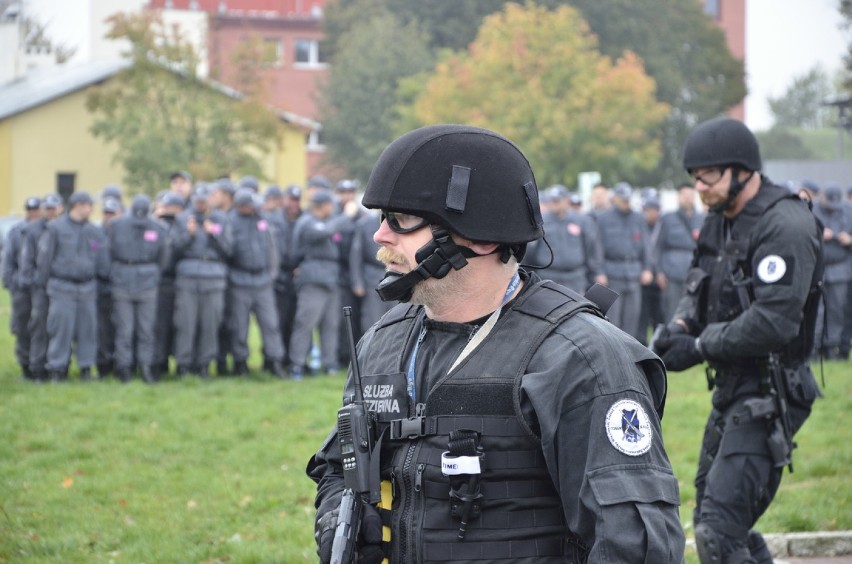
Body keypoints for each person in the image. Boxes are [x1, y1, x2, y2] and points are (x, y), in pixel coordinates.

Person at [307, 124, 684, 563]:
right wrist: (338, 515)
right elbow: (336, 465)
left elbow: (635, 546)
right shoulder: (383, 341)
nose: (381, 236)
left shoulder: (579, 358)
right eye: (381, 218)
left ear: (482, 237)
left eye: (402, 220)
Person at [653, 117, 823, 564]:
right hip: (733, 388)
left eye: (708, 176)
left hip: (772, 391)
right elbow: (697, 284)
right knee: (719, 522)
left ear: (742, 172)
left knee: (718, 531)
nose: (699, 187)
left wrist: (701, 346)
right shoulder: (719, 219)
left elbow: (774, 322)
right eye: (694, 177)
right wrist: (679, 331)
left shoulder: (784, 223)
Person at [36, 191, 109, 382]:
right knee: (61, 330)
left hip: (87, 288)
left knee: (88, 331)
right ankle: (58, 369)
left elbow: (102, 259)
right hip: (62, 286)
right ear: (77, 205)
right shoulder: (55, 228)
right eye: (88, 205)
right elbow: (44, 259)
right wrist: (45, 285)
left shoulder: (94, 230)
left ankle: (86, 368)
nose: (91, 208)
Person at [172, 185, 233, 378]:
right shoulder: (182, 219)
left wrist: (213, 234)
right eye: (198, 201)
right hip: (188, 276)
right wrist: (187, 235)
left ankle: (204, 364)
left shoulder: (221, 219)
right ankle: (183, 364)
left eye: (204, 200)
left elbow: (229, 250)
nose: (201, 204)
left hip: (214, 277)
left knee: (210, 323)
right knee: (186, 323)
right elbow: (173, 249)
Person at [107, 195, 169, 383]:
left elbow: (163, 257)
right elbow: (108, 253)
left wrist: (152, 273)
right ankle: (124, 367)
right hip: (122, 279)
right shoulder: (116, 226)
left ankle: (146, 367)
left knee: (146, 329)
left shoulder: (159, 228)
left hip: (148, 281)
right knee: (124, 329)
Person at [288, 189, 349, 379]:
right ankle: (297, 364)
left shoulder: (325, 221)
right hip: (313, 279)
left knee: (331, 324)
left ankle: (329, 363)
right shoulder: (307, 222)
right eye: (330, 205)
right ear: (321, 206)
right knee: (305, 323)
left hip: (331, 279)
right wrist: (347, 215)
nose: (332, 208)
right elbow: (325, 232)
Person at [225, 188, 286, 377]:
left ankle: (274, 361)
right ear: (240, 206)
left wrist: (272, 274)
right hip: (239, 280)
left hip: (263, 281)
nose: (255, 208)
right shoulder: (231, 221)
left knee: (270, 324)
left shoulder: (262, 220)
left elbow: (272, 248)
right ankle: (240, 362)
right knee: (239, 325)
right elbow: (227, 251)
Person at [596, 182, 654, 341]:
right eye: (623, 199)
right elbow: (598, 247)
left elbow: (646, 246)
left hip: (633, 273)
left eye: (628, 199)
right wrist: (600, 271)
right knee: (613, 321)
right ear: (614, 199)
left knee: (632, 320)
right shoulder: (603, 218)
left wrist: (647, 268)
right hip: (613, 273)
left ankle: (631, 357)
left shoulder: (638, 218)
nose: (626, 202)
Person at [18, 194, 64, 383]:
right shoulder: (33, 230)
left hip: (62, 286)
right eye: (48, 208)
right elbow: (26, 260)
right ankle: (38, 368)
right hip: (40, 288)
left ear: (61, 208)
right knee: (39, 327)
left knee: (60, 329)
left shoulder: (66, 227)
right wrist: (32, 283)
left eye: (54, 208)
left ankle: (59, 367)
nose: (50, 211)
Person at [527, 184, 603, 292]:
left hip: (575, 278)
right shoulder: (540, 222)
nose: (555, 203)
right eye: (552, 200)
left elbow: (591, 248)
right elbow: (530, 252)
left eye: (558, 200)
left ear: (567, 200)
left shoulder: (582, 221)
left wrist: (597, 272)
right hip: (548, 277)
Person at [1, 197, 43, 381]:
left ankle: (42, 366)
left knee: (41, 327)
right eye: (30, 209)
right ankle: (26, 367)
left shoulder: (47, 230)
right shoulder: (17, 231)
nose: (33, 212)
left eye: (36, 209)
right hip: (22, 287)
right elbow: (8, 259)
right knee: (22, 327)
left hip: (41, 286)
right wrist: (11, 283)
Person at [655, 182, 705, 321]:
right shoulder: (667, 219)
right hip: (672, 274)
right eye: (684, 195)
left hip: (695, 274)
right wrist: (659, 272)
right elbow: (657, 247)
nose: (687, 198)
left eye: (690, 195)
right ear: (678, 197)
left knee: (695, 313)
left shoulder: (702, 219)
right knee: (672, 313)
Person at [812, 184, 852, 360]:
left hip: (840, 268)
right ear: (822, 198)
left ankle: (833, 346)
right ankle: (814, 346)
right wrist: (819, 233)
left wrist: (849, 239)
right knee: (816, 309)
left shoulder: (847, 211)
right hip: (817, 268)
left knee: (836, 309)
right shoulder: (812, 210)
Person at [96, 196, 123, 378]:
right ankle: (104, 365)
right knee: (102, 330)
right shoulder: (96, 233)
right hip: (101, 288)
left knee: (122, 328)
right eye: (106, 213)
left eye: (112, 213)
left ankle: (121, 363)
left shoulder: (125, 233)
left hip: (121, 287)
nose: (109, 217)